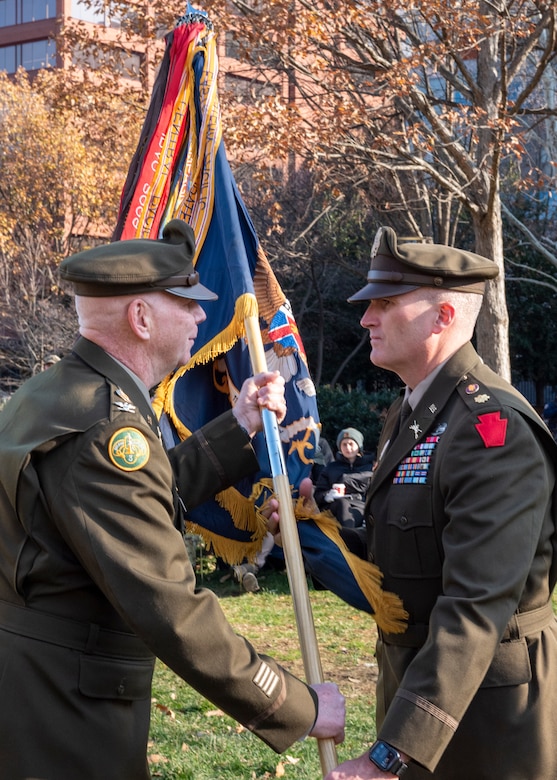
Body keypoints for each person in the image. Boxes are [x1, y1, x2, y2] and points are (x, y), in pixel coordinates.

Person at [0, 219, 345, 780]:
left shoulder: (56, 393)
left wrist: (239, 424)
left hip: (40, 690)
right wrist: (297, 705)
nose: (203, 317)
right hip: (69, 714)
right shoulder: (106, 434)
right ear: (140, 318)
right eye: (187, 304)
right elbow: (173, 610)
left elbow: (133, 498)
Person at [325, 226, 557, 779]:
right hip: (424, 701)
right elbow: (400, 553)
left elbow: (474, 608)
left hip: (487, 727)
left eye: (385, 303)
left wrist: (389, 754)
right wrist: (314, 522)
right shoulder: (414, 413)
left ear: (443, 317)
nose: (365, 319)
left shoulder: (490, 432)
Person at [314, 427, 374, 529]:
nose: (348, 448)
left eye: (351, 444)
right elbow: (318, 494)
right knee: (342, 503)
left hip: (359, 505)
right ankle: (347, 538)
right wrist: (328, 495)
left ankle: (347, 536)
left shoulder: (369, 467)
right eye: (344, 444)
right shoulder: (331, 468)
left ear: (358, 446)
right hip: (334, 506)